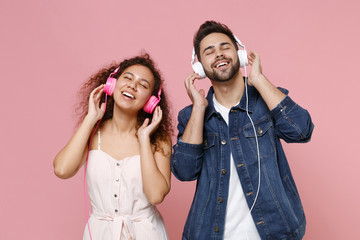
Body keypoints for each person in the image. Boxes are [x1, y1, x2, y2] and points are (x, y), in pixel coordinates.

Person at [171, 21, 314, 240]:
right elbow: (184, 171)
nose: (219, 54)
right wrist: (199, 109)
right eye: (209, 51)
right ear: (199, 67)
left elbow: (302, 130)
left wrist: (258, 80)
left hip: (273, 233)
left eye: (225, 47)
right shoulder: (190, 117)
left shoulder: (267, 98)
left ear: (240, 54)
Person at [53, 53, 172, 240]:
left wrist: (143, 139)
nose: (132, 86)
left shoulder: (158, 139)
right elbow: (62, 169)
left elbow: (156, 195)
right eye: (127, 78)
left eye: (143, 85)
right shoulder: (92, 132)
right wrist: (90, 119)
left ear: (151, 102)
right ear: (112, 84)